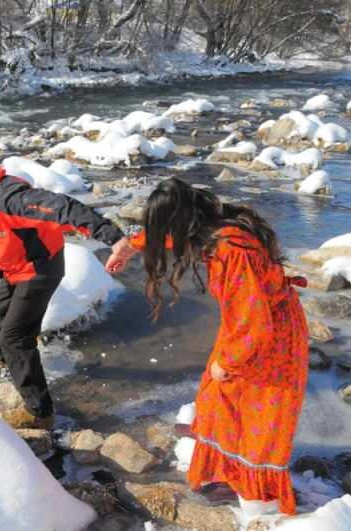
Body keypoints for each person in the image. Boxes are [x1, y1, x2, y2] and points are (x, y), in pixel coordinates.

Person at [105, 178, 308, 515]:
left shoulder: (231, 250)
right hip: (255, 327)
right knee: (219, 397)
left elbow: (254, 322)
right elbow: (168, 233)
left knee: (260, 414)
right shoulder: (210, 223)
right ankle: (232, 473)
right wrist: (131, 245)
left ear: (182, 222)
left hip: (271, 338)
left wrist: (228, 362)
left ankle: (261, 503)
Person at [0, 167, 130, 429]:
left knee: (15, 339)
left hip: (39, 269)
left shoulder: (12, 198)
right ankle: (5, 359)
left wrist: (113, 237)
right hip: (12, 267)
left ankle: (40, 413)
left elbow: (63, 207)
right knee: (0, 316)